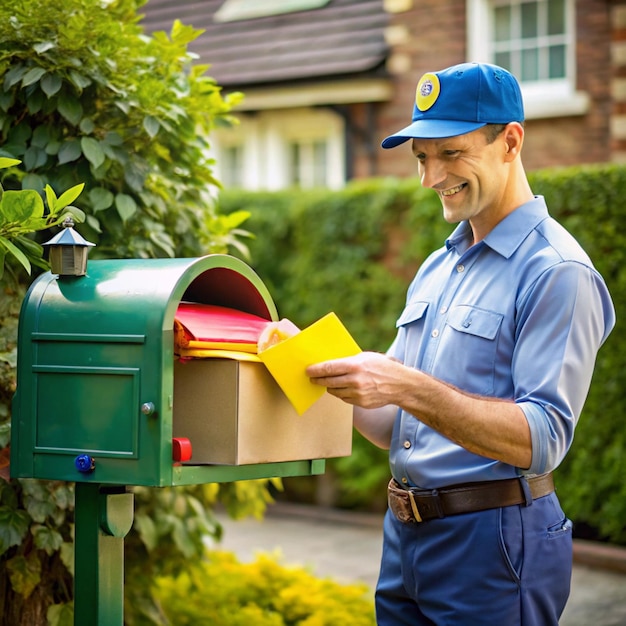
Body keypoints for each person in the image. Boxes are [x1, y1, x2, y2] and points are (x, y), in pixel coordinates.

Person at [305, 62, 616, 625]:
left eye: (450, 153)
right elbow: (391, 426)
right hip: (405, 538)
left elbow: (543, 438)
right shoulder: (436, 267)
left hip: (495, 543)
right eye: (422, 158)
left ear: (510, 141)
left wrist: (404, 385)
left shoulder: (558, 272)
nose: (430, 178)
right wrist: (309, 365)